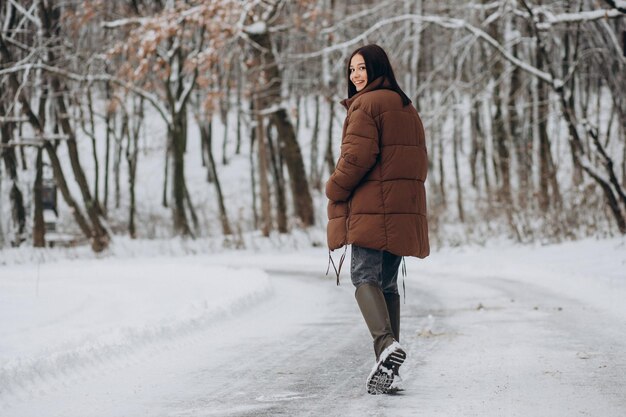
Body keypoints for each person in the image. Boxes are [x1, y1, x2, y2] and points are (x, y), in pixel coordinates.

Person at [325, 44, 430, 395]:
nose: (355, 75)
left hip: (373, 209)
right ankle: (389, 364)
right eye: (351, 69)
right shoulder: (406, 106)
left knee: (363, 276)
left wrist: (334, 187)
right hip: (401, 210)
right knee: (385, 285)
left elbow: (356, 158)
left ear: (377, 68)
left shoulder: (366, 105)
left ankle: (386, 345)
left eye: (361, 68)